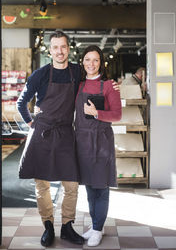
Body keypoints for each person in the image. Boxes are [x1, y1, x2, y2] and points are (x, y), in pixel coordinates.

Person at [17, 30, 84, 247]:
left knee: (71, 184)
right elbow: (21, 103)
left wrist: (110, 87)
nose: (59, 51)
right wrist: (32, 124)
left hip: (65, 132)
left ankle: (67, 226)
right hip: (42, 133)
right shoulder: (41, 74)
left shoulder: (77, 71)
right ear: (50, 50)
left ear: (68, 48)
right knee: (42, 185)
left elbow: (94, 83)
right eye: (55, 47)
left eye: (63, 46)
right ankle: (48, 226)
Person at [75, 45, 122, 247]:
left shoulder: (109, 85)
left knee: (101, 186)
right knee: (89, 186)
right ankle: (97, 225)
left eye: (95, 60)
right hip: (82, 140)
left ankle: (97, 229)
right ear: (82, 62)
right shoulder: (78, 84)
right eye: (87, 59)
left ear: (101, 62)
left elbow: (117, 115)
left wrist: (97, 113)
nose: (91, 64)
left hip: (102, 140)